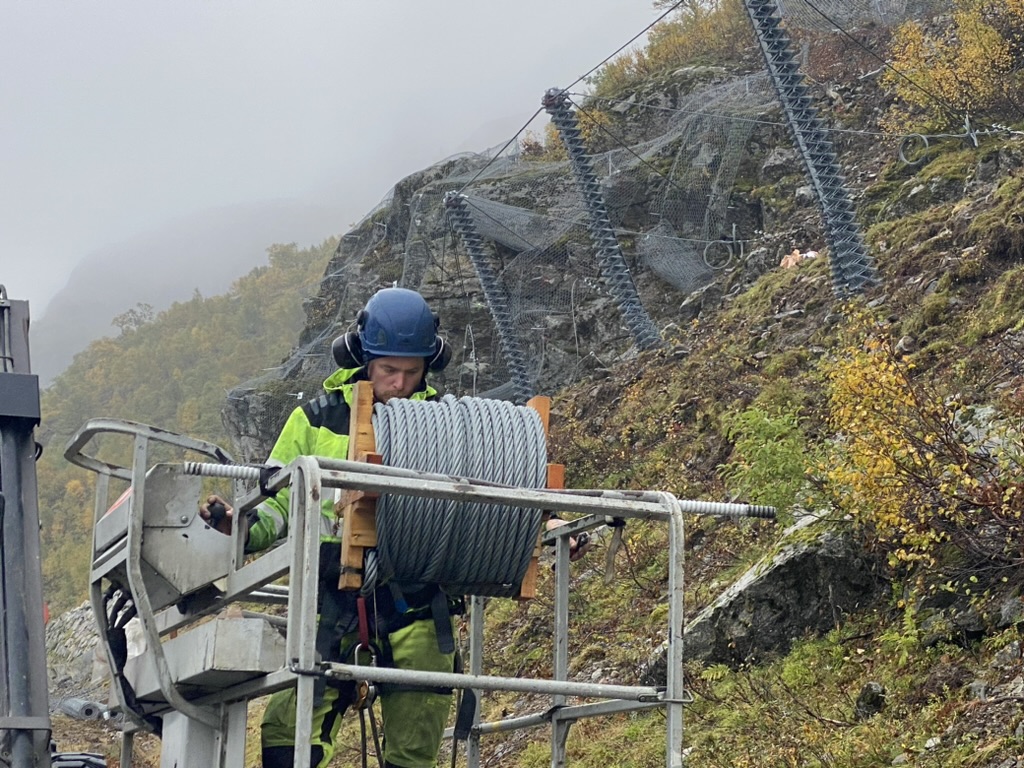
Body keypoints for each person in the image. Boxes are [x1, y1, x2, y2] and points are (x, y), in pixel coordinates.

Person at [201, 287, 589, 768]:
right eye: (389, 370)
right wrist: (240, 524)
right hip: (332, 601)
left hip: (418, 601)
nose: (400, 383)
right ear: (363, 357)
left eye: (412, 371)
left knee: (416, 739)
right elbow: (280, 502)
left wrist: (551, 522)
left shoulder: (448, 426)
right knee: (288, 731)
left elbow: (499, 492)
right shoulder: (316, 420)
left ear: (429, 364)